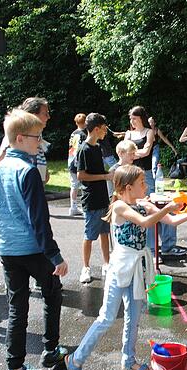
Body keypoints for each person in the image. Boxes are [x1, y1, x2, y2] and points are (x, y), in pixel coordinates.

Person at [64, 164, 187, 370]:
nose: (146, 185)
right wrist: (167, 207)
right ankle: (75, 360)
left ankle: (128, 360)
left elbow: (171, 221)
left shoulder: (142, 203)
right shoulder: (120, 206)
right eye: (142, 183)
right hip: (120, 268)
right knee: (106, 318)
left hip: (137, 269)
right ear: (128, 188)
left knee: (134, 315)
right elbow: (144, 223)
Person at [0, 109, 69, 370]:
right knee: (52, 294)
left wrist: (0, 248)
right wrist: (54, 255)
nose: (40, 143)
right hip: (33, 250)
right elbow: (39, 220)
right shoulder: (28, 171)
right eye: (37, 138)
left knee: (16, 308)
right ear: (20, 138)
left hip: (9, 251)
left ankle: (15, 369)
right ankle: (50, 351)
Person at [125, 106, 184, 255]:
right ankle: (149, 247)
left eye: (134, 118)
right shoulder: (128, 133)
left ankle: (161, 247)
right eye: (130, 118)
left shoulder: (149, 132)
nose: (132, 121)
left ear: (141, 118)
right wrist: (134, 154)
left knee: (152, 208)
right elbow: (124, 151)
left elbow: (146, 152)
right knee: (139, 209)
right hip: (130, 175)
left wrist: (132, 154)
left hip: (146, 174)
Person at [76, 113, 113, 284]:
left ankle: (107, 263)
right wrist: (104, 177)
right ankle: (86, 267)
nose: (106, 132)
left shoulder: (98, 148)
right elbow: (81, 175)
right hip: (91, 199)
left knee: (105, 232)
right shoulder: (84, 149)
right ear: (96, 129)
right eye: (104, 129)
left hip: (102, 197)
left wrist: (109, 175)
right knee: (90, 235)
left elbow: (100, 172)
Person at [0, 97, 51, 185]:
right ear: (33, 115)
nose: (48, 117)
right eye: (45, 114)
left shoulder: (37, 134)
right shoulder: (17, 135)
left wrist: (44, 173)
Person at [67, 113, 87, 216]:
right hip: (79, 163)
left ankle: (73, 206)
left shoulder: (73, 133)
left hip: (71, 161)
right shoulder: (84, 135)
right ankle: (83, 205)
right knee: (83, 184)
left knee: (74, 185)